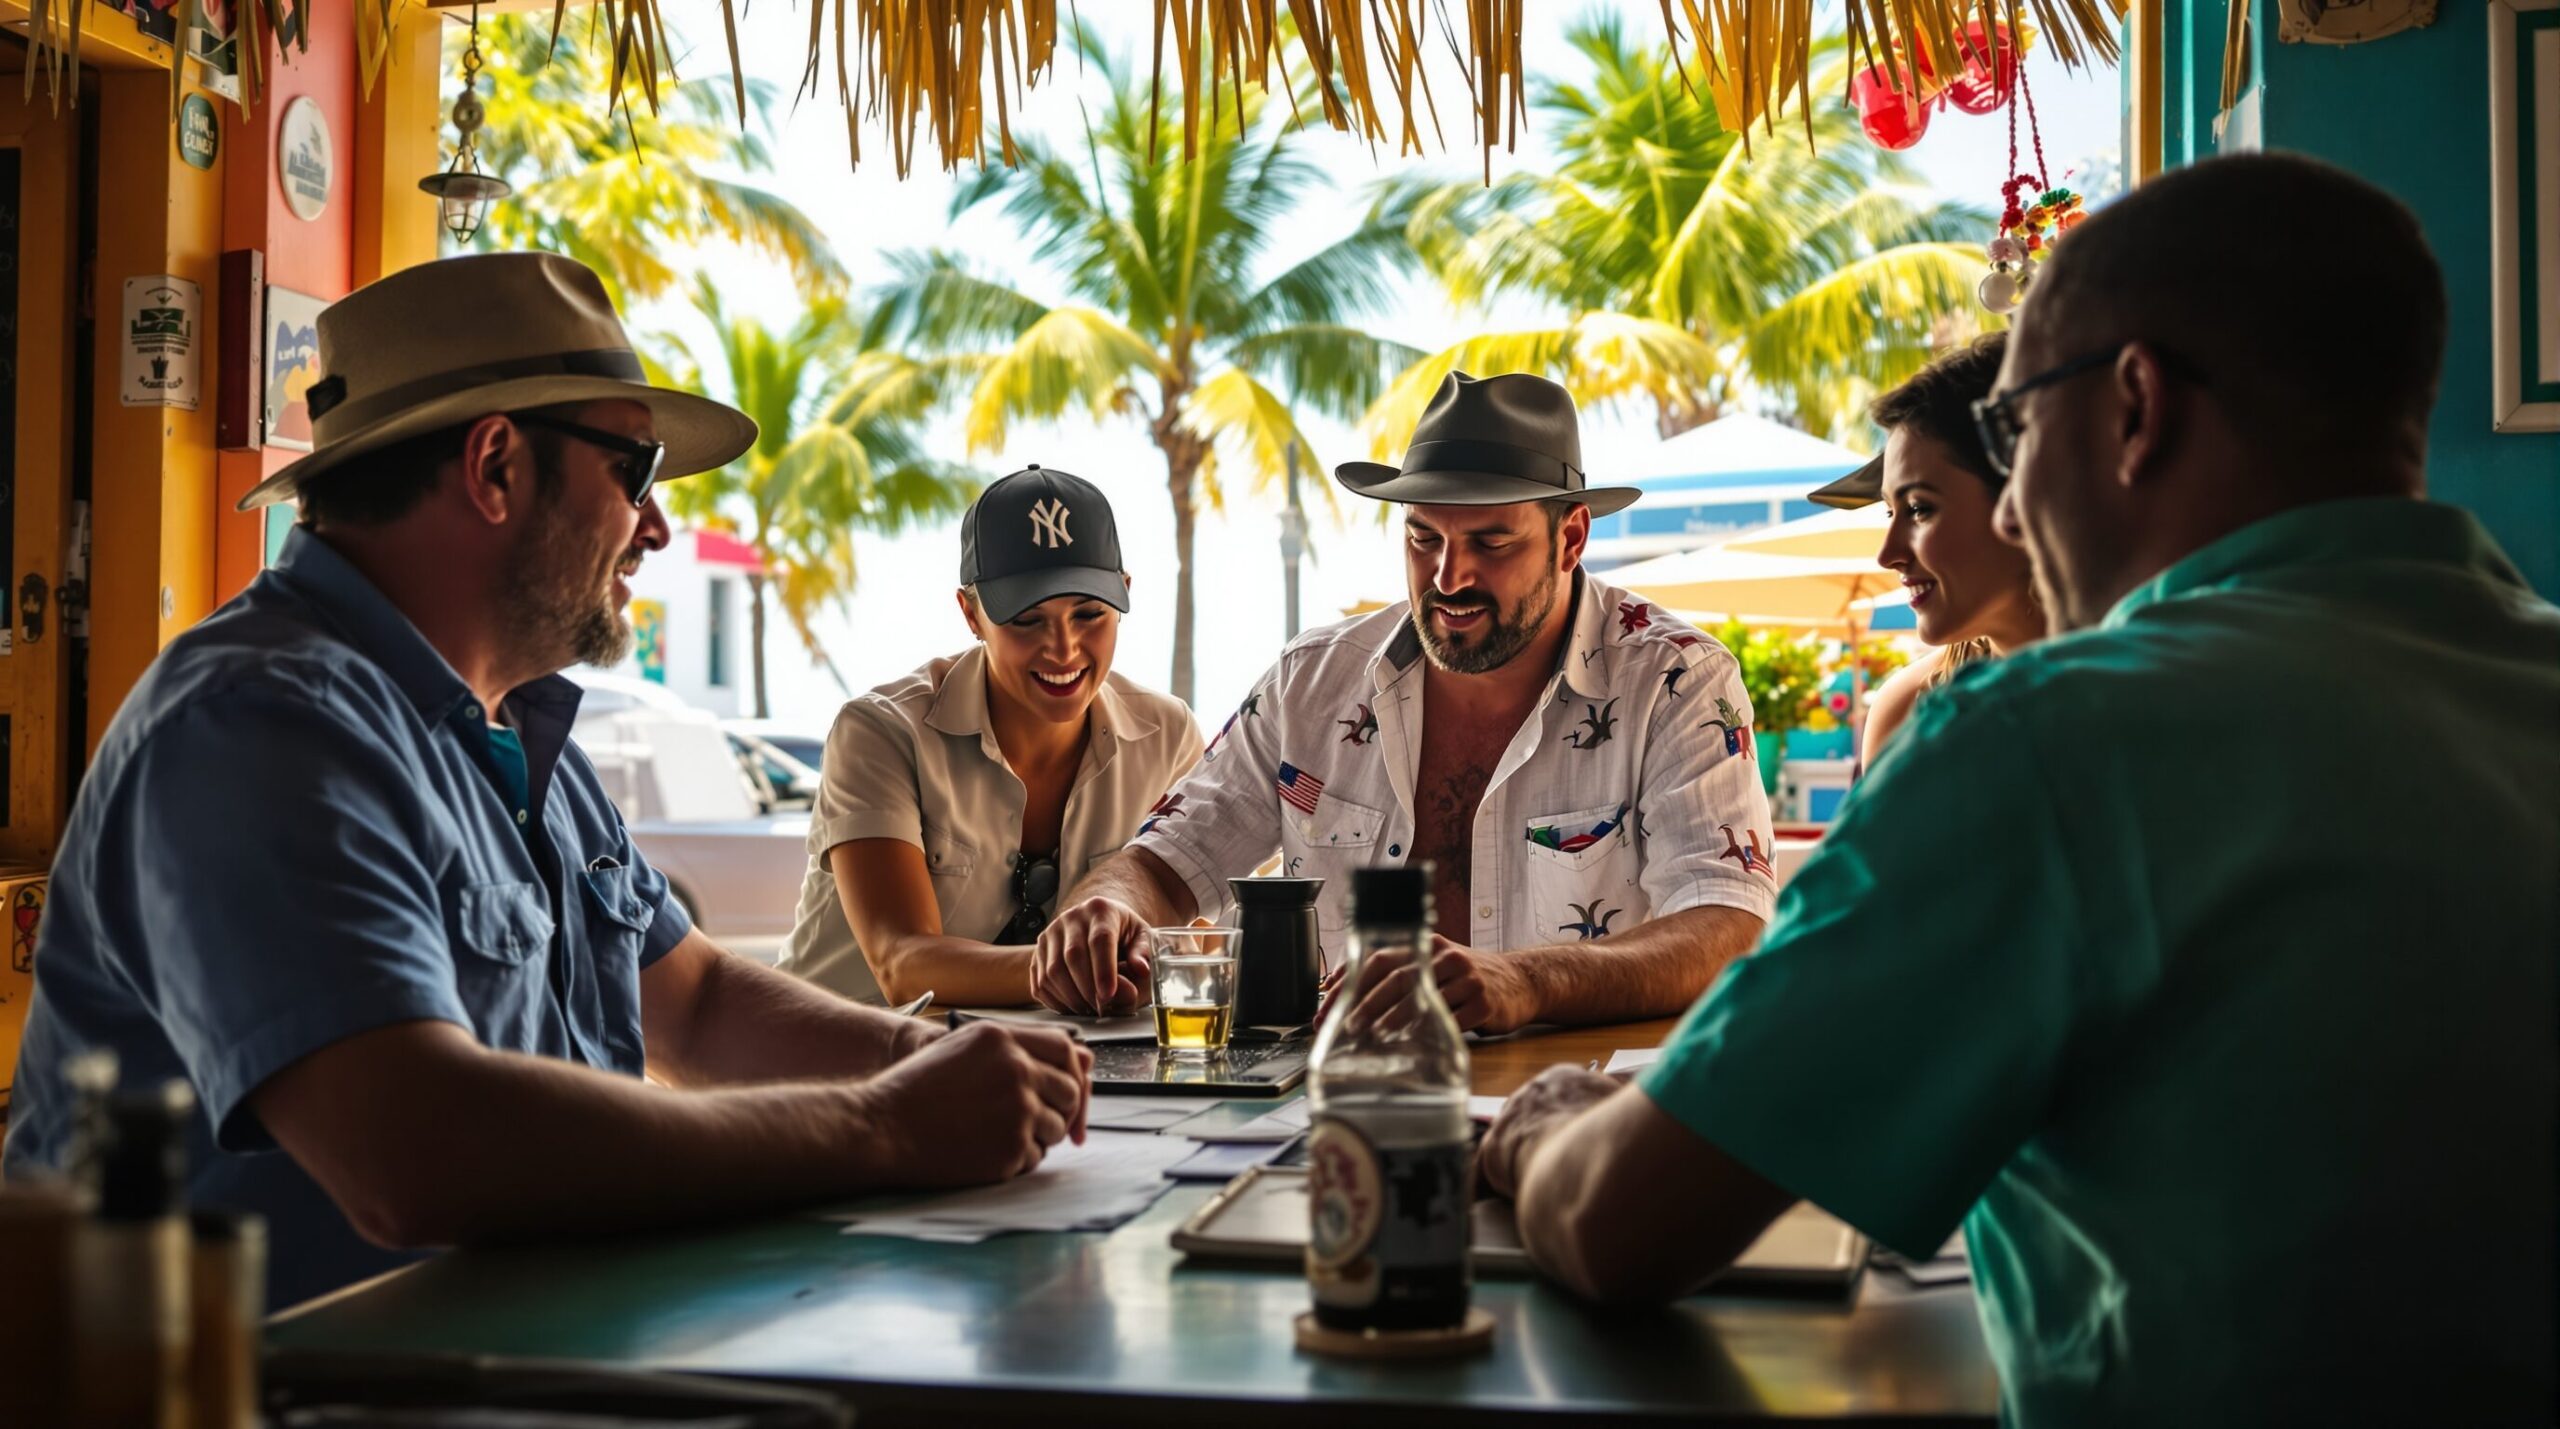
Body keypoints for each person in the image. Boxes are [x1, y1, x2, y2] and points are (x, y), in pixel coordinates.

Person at [1476, 154, 2558, 1426]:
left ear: (2135, 408)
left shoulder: (2057, 740)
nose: (2017, 495)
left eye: (2016, 431)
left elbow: (1620, 1221)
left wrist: (1539, 1126)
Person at [0, 254, 1091, 1309]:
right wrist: (887, 1127)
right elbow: (413, 1150)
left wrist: (938, 1059)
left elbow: (699, 1003)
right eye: (636, 473)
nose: (656, 527)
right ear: (494, 467)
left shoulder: (512, 727)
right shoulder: (261, 726)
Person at [1030, 372, 1776, 1031]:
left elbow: (1726, 927)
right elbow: (1164, 861)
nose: (1449, 575)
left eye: (1491, 542)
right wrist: (1110, 910)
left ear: (1571, 537)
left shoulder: (1677, 681)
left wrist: (1526, 980)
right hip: (1338, 1106)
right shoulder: (1310, 682)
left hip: (1576, 1110)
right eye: (1423, 537)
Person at [777, 466, 1202, 1006]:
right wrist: (1083, 962)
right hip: (838, 1065)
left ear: (1124, 594)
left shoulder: (1167, 737)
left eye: (1090, 613)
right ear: (970, 613)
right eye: (1027, 620)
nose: (1065, 648)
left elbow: (1197, 934)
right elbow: (901, 962)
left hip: (1040, 1068)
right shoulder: (880, 732)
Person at [1809, 333, 2044, 763]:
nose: (1888, 554)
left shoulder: (2154, 693)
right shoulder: (1905, 712)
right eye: (1888, 511)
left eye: (1919, 509)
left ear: (2024, 500)